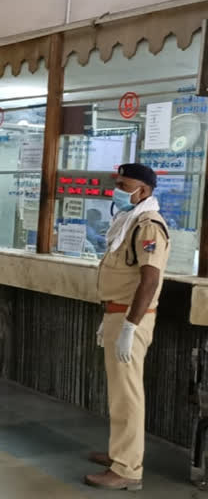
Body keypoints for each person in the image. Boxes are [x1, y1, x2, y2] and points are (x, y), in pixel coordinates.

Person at [85, 163, 170, 491]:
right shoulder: (128, 221)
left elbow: (150, 280)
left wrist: (130, 328)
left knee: (128, 395)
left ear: (144, 191)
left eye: (124, 184)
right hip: (117, 315)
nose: (118, 188)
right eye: (117, 183)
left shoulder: (149, 225)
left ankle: (128, 470)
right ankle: (119, 454)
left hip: (130, 319)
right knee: (119, 394)